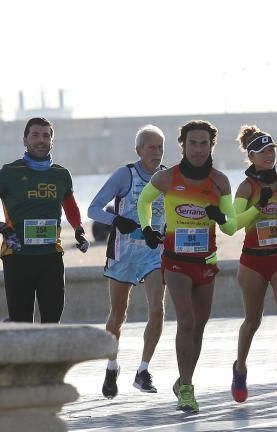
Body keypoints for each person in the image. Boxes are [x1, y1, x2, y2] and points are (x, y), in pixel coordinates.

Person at [136, 120, 237, 413]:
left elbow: (231, 227)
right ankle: (188, 391)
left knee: (199, 328)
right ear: (183, 145)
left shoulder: (220, 181)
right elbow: (144, 202)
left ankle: (183, 380)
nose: (198, 149)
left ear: (211, 146)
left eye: (203, 143)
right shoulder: (167, 178)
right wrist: (147, 228)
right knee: (187, 321)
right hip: (176, 262)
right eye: (192, 143)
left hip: (205, 262)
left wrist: (220, 216)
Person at [0, 117, 89, 324]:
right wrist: (4, 229)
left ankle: (50, 357)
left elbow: (71, 207)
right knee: (22, 323)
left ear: (52, 141)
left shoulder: (61, 174)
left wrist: (79, 229)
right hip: (17, 257)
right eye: (35, 135)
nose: (40, 140)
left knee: (52, 321)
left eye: (46, 136)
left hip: (51, 257)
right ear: (25, 140)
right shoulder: (9, 173)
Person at [88, 125, 168, 398]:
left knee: (157, 310)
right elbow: (93, 209)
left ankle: (143, 370)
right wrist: (116, 220)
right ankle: (112, 366)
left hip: (153, 253)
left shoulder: (168, 178)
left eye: (160, 147)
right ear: (138, 150)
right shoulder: (126, 175)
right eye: (151, 147)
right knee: (117, 315)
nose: (156, 152)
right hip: (123, 254)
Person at [232, 125, 277, 403]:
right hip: (253, 261)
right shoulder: (247, 187)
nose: (268, 155)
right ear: (251, 156)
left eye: (271, 150)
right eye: (262, 152)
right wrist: (257, 208)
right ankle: (239, 367)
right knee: (252, 321)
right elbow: (235, 223)